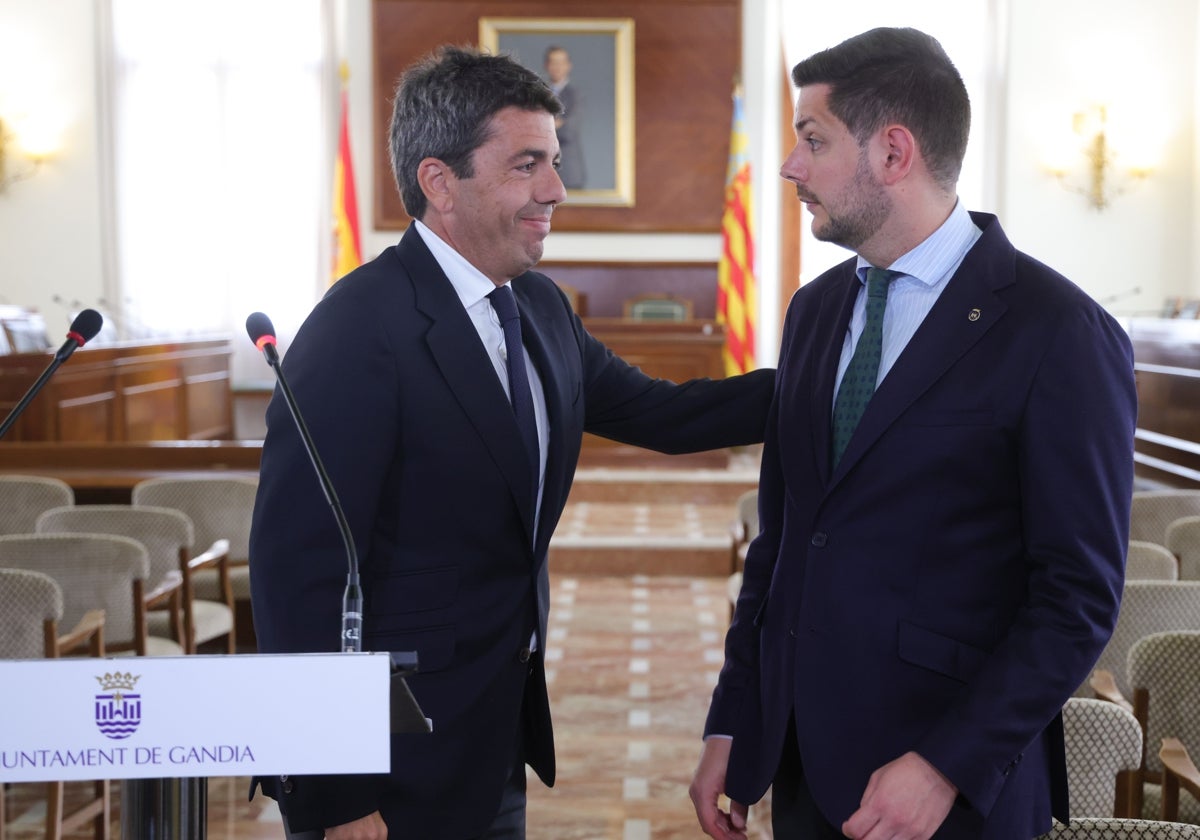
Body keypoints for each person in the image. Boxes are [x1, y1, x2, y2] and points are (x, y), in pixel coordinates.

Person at [249, 45, 774, 840]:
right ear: (439, 182)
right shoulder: (359, 329)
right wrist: (336, 795)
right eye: (528, 164)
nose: (556, 189)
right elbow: (297, 577)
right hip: (388, 764)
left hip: (494, 730)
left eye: (554, 161)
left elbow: (666, 415)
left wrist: (833, 379)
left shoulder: (537, 308)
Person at [690, 27, 1136, 840]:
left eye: (812, 139)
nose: (791, 165)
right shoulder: (814, 312)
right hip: (800, 773)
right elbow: (784, 546)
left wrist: (944, 765)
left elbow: (1076, 599)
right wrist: (735, 721)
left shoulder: (1059, 331)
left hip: (953, 795)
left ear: (893, 152)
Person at [543, 45, 585, 189]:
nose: (557, 67)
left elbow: (569, 132)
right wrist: (556, 123)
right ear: (547, 65)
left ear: (568, 66)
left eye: (561, 62)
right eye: (553, 62)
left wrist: (544, 126)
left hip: (569, 170)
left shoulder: (575, 94)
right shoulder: (539, 94)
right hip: (542, 168)